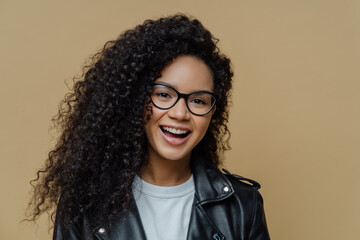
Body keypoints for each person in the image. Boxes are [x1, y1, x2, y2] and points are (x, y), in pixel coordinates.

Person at [28, 14, 270, 240]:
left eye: (198, 100)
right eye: (164, 94)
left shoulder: (243, 206)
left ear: (212, 112)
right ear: (137, 99)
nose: (179, 114)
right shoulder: (85, 203)